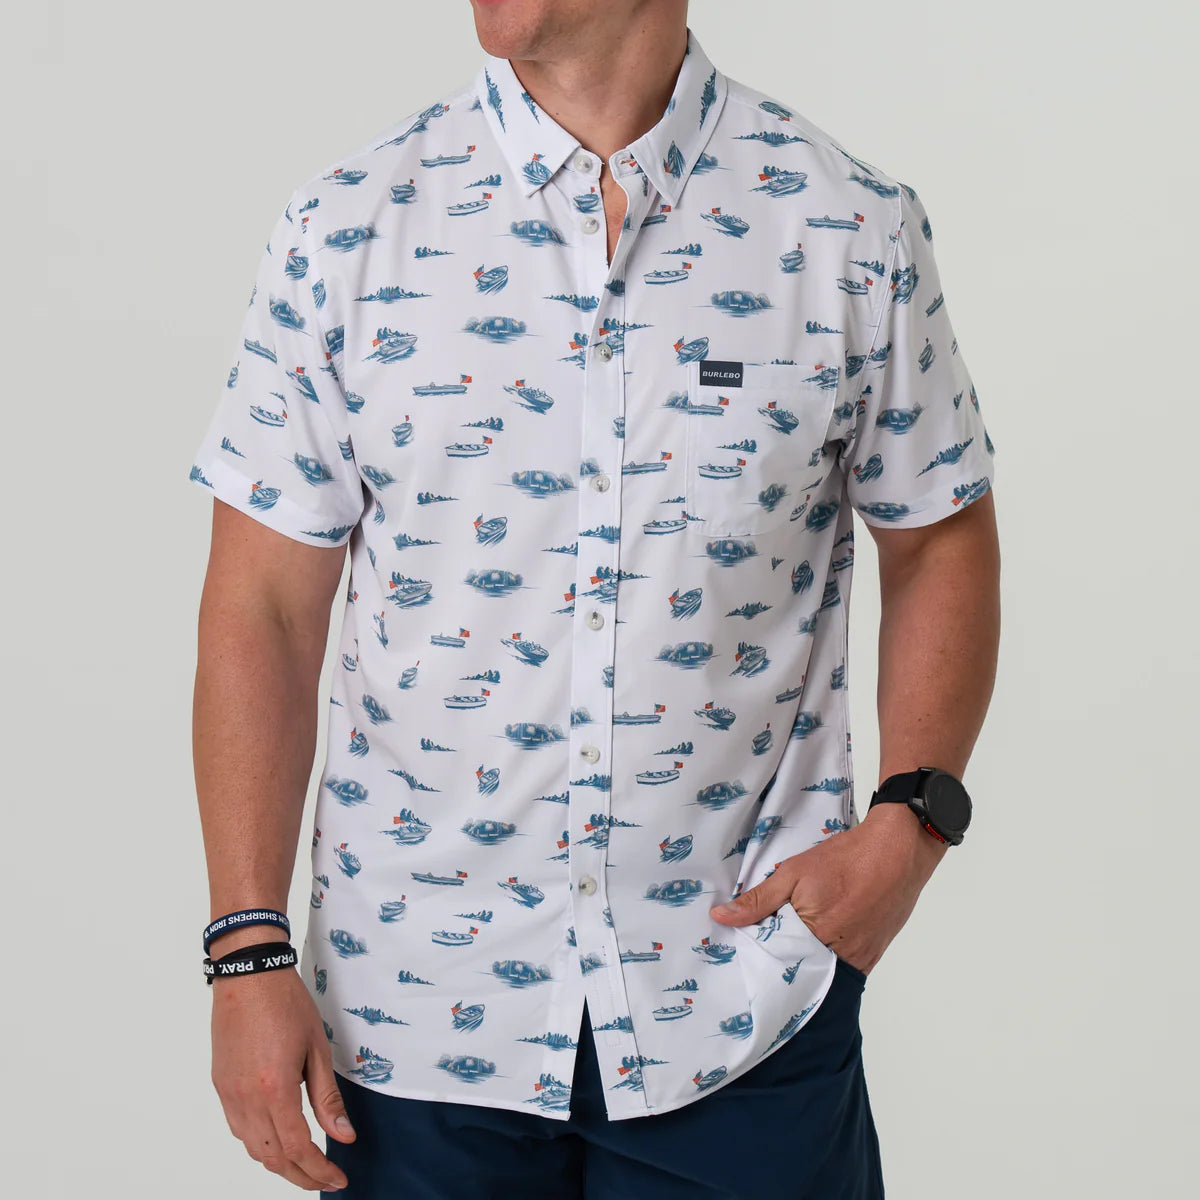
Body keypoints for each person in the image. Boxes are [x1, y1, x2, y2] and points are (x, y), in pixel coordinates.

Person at [187, 1, 1000, 1195]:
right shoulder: (346, 229)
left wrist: (912, 825)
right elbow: (261, 605)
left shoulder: (845, 225)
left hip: (741, 1012)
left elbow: (939, 538)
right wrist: (246, 949)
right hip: (407, 1027)